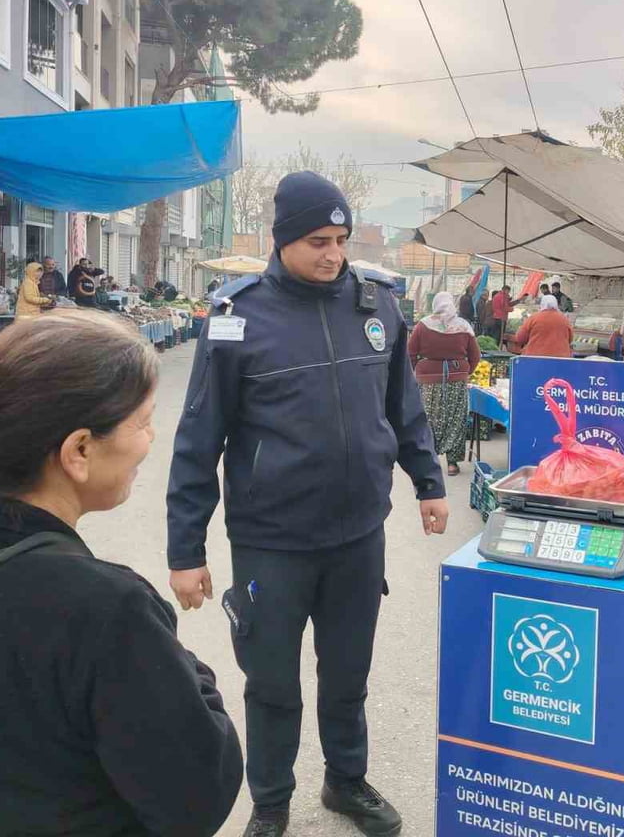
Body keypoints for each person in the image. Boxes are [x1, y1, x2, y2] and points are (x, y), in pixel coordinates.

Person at [0, 311, 243, 835]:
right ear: (78, 450)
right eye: (142, 421)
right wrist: (193, 674)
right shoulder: (109, 610)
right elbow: (197, 800)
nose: (150, 438)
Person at [166, 170, 449, 837]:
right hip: (272, 540)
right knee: (271, 684)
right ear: (282, 238)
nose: (333, 255)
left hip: (357, 534)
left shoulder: (376, 306)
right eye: (318, 240)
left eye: (342, 239)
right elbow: (198, 438)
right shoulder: (238, 318)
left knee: (347, 675)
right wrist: (186, 550)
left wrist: (429, 481)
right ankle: (270, 803)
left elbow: (401, 406)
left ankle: (346, 782)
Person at [408, 292, 482, 477]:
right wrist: (464, 372)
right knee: (456, 420)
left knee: (428, 420)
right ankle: (452, 464)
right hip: (456, 380)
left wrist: (419, 371)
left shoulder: (423, 325)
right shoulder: (463, 326)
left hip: (428, 381)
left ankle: (428, 461)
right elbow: (475, 356)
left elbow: (410, 353)